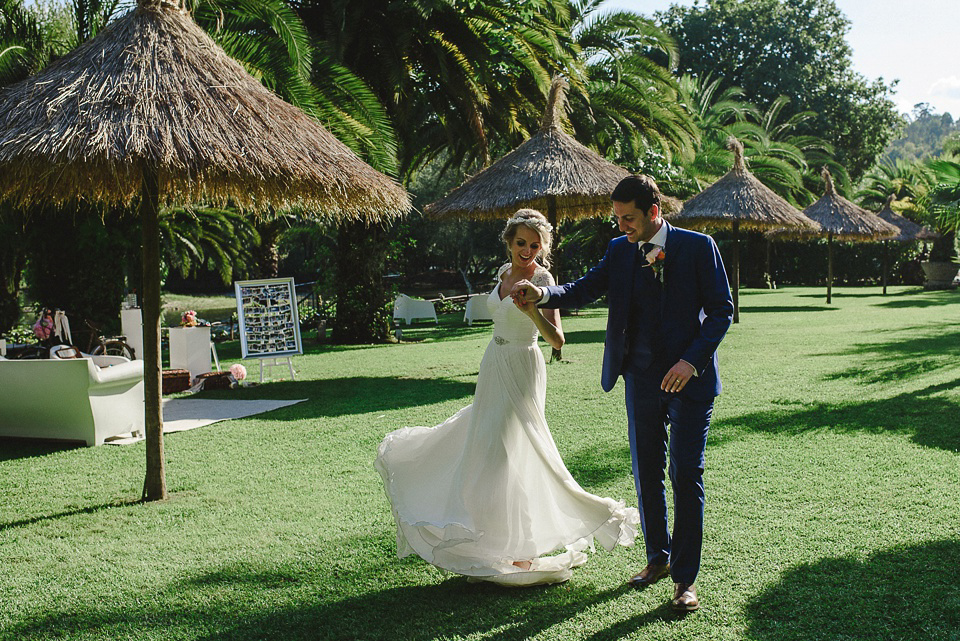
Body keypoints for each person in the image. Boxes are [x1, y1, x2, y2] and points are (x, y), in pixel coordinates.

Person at [375, 209, 640, 587]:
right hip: (493, 361)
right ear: (509, 242)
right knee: (487, 452)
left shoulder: (544, 279)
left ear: (543, 248)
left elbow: (557, 341)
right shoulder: (502, 272)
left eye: (535, 245)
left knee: (516, 452)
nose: (527, 251)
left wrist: (532, 310)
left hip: (523, 364)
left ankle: (529, 548)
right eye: (521, 243)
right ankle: (492, 546)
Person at [510, 175, 733, 610]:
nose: (621, 226)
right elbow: (584, 288)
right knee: (646, 472)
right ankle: (658, 559)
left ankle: (685, 581)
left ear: (653, 212)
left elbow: (722, 311)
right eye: (616, 218)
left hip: (690, 382)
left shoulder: (698, 246)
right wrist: (542, 292)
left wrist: (691, 361)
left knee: (685, 475)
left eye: (628, 218)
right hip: (642, 378)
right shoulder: (619, 250)